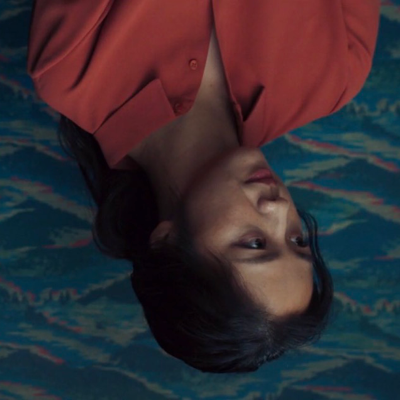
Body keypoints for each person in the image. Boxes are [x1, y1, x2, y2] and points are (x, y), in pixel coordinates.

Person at [27, 1, 380, 373]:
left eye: (255, 243)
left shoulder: (69, 68)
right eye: (297, 239)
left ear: (166, 242)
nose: (279, 209)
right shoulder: (337, 75)